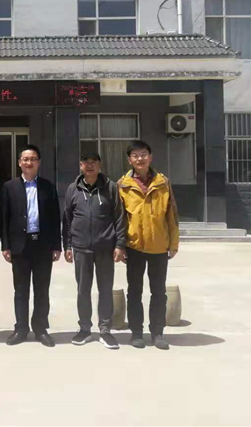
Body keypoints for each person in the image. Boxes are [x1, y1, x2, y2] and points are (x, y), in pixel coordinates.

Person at [118, 140, 180, 350]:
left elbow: (172, 214)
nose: (140, 159)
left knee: (158, 292)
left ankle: (157, 332)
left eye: (144, 154)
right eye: (135, 156)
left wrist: (174, 243)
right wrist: (120, 245)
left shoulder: (163, 182)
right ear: (129, 160)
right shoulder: (123, 185)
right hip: (134, 246)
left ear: (150, 157)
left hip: (159, 246)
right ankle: (136, 333)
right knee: (134, 292)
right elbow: (119, 219)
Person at [63, 151, 127, 350]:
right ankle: (84, 328)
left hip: (105, 248)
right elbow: (67, 219)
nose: (89, 165)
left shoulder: (111, 187)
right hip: (81, 248)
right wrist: (68, 245)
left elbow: (119, 217)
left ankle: (105, 331)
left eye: (94, 162)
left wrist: (119, 244)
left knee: (105, 290)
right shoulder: (73, 189)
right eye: (86, 162)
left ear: (100, 165)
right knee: (83, 290)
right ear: (80, 165)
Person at [1, 144, 62, 347]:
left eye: (33, 159)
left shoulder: (48, 186)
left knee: (42, 290)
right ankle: (21, 329)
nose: (29, 162)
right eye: (25, 159)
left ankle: (40, 329)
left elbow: (55, 218)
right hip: (20, 246)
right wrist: (6, 245)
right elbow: (4, 218)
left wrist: (56, 246)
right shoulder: (9, 187)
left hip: (42, 245)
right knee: (21, 290)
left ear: (39, 162)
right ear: (19, 162)